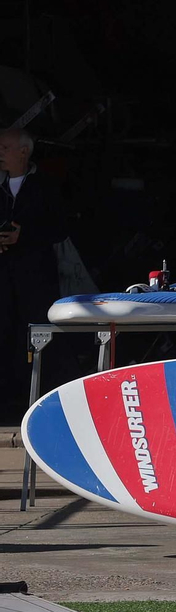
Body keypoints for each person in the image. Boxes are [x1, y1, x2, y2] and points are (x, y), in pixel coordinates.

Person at [0, 128, 68, 419]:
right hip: (4, 275)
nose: (0, 153)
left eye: (4, 148)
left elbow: (60, 228)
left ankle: (37, 396)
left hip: (35, 276)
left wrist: (23, 235)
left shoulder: (45, 186)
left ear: (23, 152)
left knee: (34, 332)